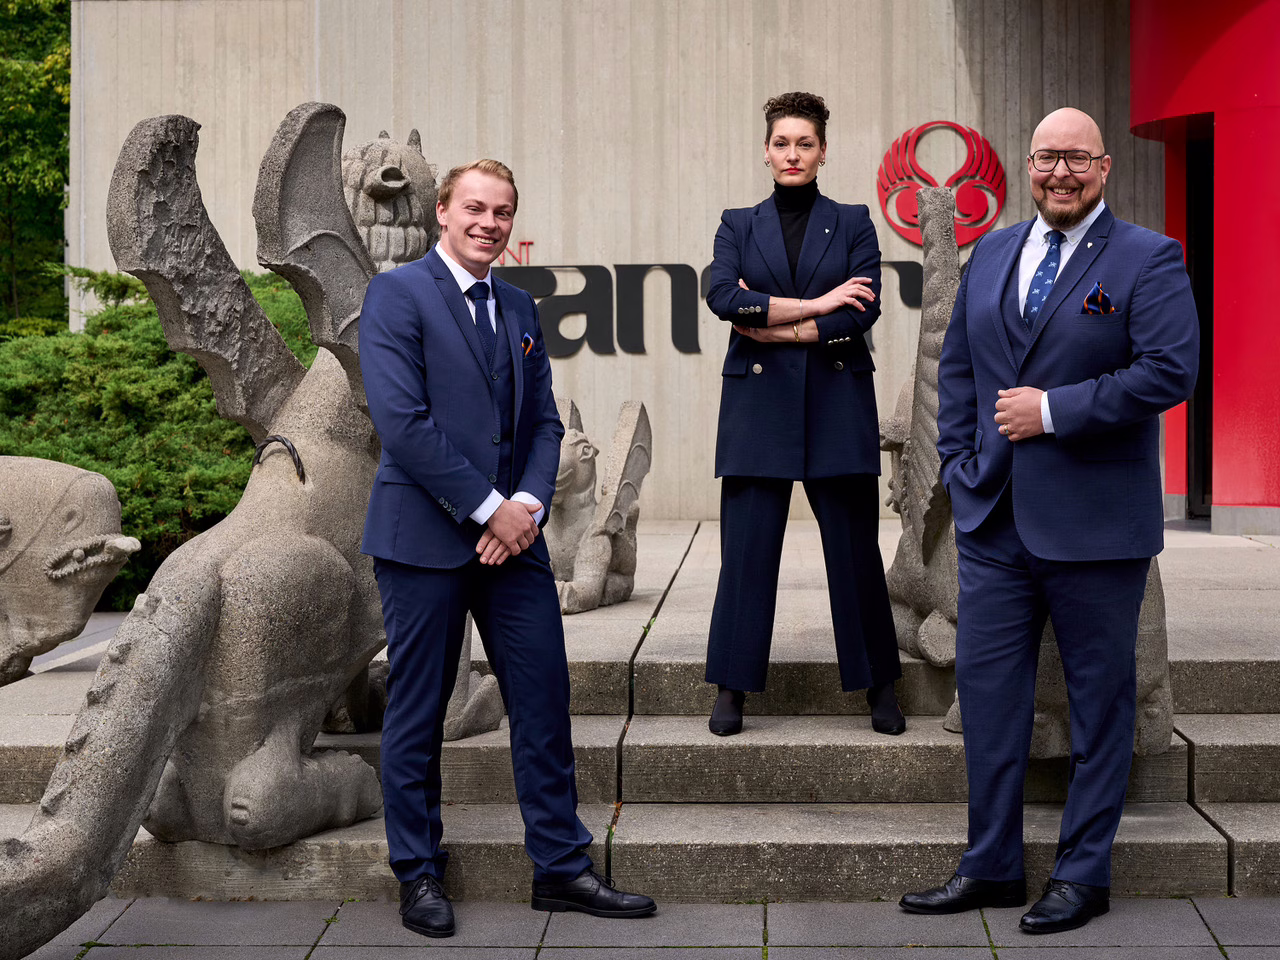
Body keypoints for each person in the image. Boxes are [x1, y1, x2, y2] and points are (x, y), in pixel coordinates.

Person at [899, 108, 1199, 934]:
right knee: (990, 701)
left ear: (1103, 167)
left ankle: (1083, 874)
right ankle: (990, 865)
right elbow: (957, 368)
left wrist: (1054, 410)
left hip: (1096, 525)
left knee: (1101, 704)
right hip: (993, 520)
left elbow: (1171, 370)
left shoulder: (1148, 257)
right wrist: (959, 466)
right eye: (1045, 158)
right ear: (1028, 166)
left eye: (1075, 158)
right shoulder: (994, 252)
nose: (1059, 172)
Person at [359, 159, 656, 939]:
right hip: (424, 541)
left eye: (502, 212)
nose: (489, 223)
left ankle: (560, 868)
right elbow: (403, 423)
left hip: (514, 542)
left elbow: (547, 423)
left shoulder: (519, 306)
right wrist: (492, 510)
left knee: (543, 698)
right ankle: (418, 871)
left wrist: (527, 505)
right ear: (443, 212)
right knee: (420, 709)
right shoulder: (397, 295)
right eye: (475, 208)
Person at [703, 91, 904, 739]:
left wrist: (776, 324)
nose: (793, 154)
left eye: (805, 143)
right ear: (766, 151)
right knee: (746, 554)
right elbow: (722, 296)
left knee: (855, 552)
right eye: (782, 143)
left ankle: (880, 684)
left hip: (837, 401)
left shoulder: (854, 222)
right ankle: (731, 686)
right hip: (757, 407)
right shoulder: (737, 224)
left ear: (822, 152)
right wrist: (818, 304)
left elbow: (863, 310)